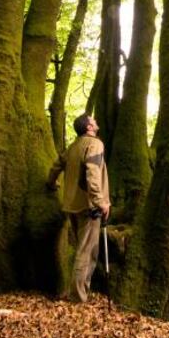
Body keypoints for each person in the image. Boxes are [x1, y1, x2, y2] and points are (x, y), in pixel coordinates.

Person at [47, 113, 110, 303]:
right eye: (94, 120)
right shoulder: (94, 144)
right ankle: (78, 298)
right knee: (86, 252)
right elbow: (92, 173)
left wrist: (51, 184)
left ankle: (78, 293)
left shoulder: (74, 146)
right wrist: (100, 202)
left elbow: (56, 166)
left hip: (72, 207)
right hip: (89, 207)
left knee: (85, 251)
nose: (96, 121)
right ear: (89, 127)